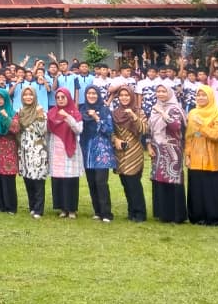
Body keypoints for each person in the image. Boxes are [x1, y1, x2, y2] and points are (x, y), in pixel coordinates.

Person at [185, 84, 218, 226]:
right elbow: (190, 136)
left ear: (210, 97)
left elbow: (216, 135)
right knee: (196, 188)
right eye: (198, 95)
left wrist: (201, 126)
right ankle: (197, 217)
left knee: (211, 189)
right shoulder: (192, 113)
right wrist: (187, 155)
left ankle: (213, 218)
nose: (201, 98)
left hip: (211, 157)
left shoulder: (217, 114)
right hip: (195, 155)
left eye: (204, 95)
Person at [148, 84, 186, 224]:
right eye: (158, 91)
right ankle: (163, 214)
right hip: (157, 149)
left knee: (172, 181)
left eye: (164, 91)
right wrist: (149, 144)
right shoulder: (155, 108)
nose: (161, 94)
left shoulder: (175, 108)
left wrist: (163, 114)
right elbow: (149, 128)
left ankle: (176, 215)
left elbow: (176, 126)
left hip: (172, 150)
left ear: (169, 93)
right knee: (160, 180)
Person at [110, 86, 147, 222]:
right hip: (120, 152)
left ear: (132, 96)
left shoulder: (139, 111)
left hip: (134, 151)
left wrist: (133, 116)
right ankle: (131, 212)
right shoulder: (115, 113)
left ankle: (140, 213)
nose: (124, 97)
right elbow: (111, 131)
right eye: (121, 95)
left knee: (134, 183)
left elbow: (144, 129)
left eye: (127, 95)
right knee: (125, 183)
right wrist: (115, 140)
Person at [79, 85, 115, 222]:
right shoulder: (82, 109)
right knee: (91, 182)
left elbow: (109, 129)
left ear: (98, 95)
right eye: (89, 93)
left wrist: (96, 118)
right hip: (87, 150)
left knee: (101, 182)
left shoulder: (104, 109)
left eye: (94, 93)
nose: (92, 96)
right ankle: (97, 211)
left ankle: (106, 213)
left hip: (101, 151)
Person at [47, 88, 83, 218]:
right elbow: (47, 131)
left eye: (63, 97)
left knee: (70, 180)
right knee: (58, 179)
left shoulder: (75, 112)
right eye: (58, 97)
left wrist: (68, 117)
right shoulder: (51, 113)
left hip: (70, 150)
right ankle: (62, 208)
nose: (60, 99)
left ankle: (72, 209)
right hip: (55, 148)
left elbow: (79, 129)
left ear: (68, 97)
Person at [16, 86, 48, 218]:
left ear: (34, 96)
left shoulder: (40, 110)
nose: (28, 97)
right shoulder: (20, 111)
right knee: (28, 178)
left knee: (38, 179)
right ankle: (32, 206)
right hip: (24, 149)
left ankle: (39, 209)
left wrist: (40, 117)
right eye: (25, 95)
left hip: (37, 150)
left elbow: (42, 131)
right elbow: (17, 130)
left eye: (30, 95)